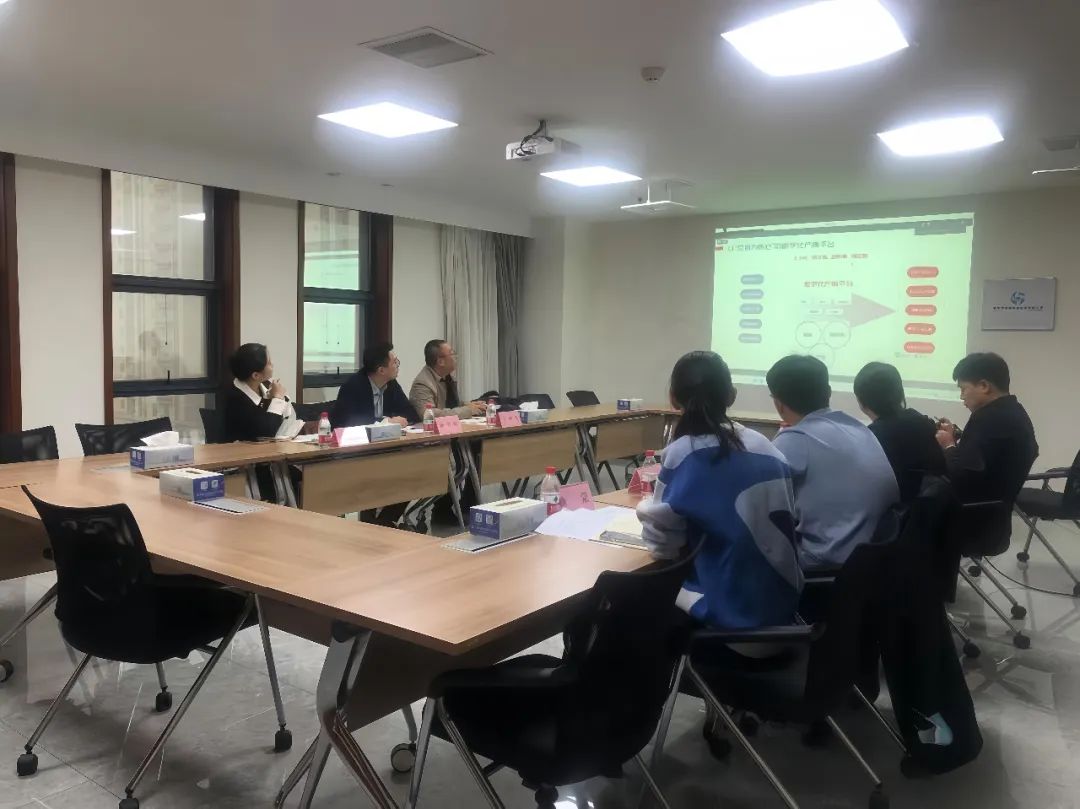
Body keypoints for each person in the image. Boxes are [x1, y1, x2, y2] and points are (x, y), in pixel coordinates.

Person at [637, 351, 803, 630]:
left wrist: (643, 508)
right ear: (732, 395)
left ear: (673, 398)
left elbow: (662, 547)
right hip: (783, 613)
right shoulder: (767, 446)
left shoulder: (682, 453)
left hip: (730, 622)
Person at [766, 355, 898, 569]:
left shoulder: (795, 439)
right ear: (828, 392)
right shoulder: (857, 428)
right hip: (875, 557)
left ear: (778, 404)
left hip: (827, 563)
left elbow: (755, 495)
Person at [935, 352, 1038, 503]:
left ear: (984, 386)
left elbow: (961, 476)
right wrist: (959, 435)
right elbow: (990, 451)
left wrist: (948, 445)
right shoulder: (1016, 411)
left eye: (963, 389)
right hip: (999, 507)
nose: (961, 396)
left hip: (971, 509)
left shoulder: (984, 418)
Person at [854, 361, 946, 503]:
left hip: (894, 511)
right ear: (899, 393)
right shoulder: (922, 421)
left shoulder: (871, 438)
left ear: (861, 401)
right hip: (935, 509)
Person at [223, 343, 299, 442]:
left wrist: (278, 398)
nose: (272, 364)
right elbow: (266, 433)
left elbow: (289, 419)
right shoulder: (235, 398)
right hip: (243, 450)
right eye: (269, 363)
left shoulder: (266, 384)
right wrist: (277, 398)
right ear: (256, 375)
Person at [331, 342, 418, 428]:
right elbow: (345, 421)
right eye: (394, 362)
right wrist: (385, 421)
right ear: (381, 370)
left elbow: (411, 413)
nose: (397, 365)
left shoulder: (391, 383)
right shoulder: (352, 386)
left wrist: (396, 420)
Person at [408, 340, 486, 420]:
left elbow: (450, 405)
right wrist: (467, 410)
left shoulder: (447, 377)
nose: (456, 357)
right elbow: (430, 415)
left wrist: (469, 405)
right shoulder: (422, 384)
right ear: (440, 362)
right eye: (452, 354)